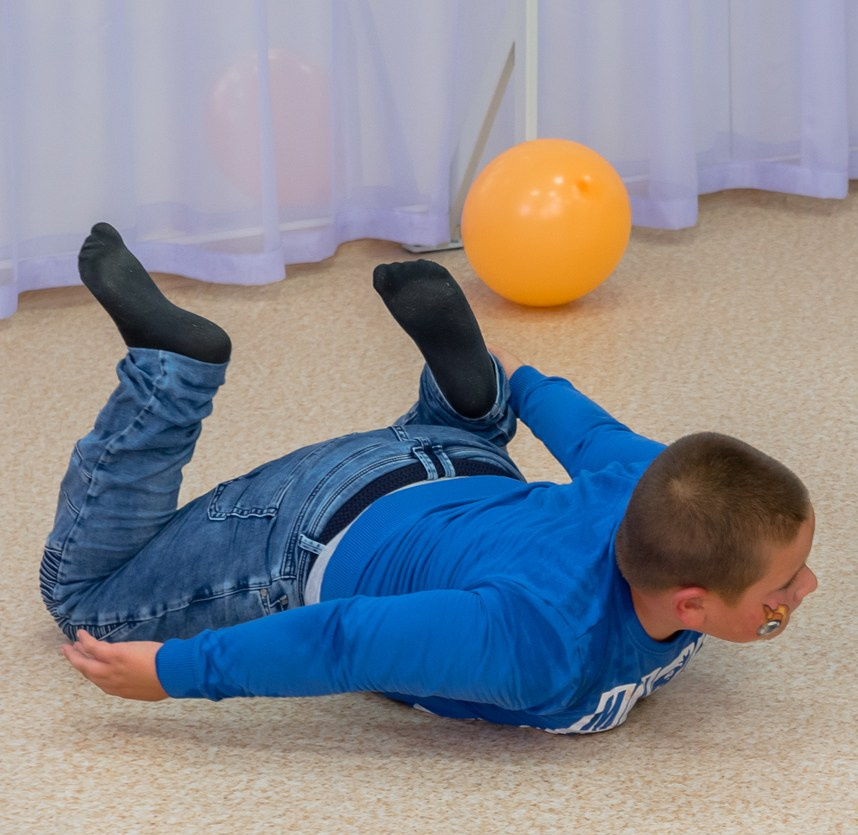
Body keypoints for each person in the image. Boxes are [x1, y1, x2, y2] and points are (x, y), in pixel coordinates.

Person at [45, 225, 818, 733]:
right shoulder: (537, 644)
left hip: (459, 468)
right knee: (83, 600)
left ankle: (469, 395)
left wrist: (518, 378)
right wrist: (172, 672)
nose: (808, 587)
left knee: (486, 486)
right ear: (691, 602)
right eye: (784, 585)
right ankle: (171, 372)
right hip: (314, 523)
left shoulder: (658, 484)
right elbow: (344, 639)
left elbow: (589, 432)